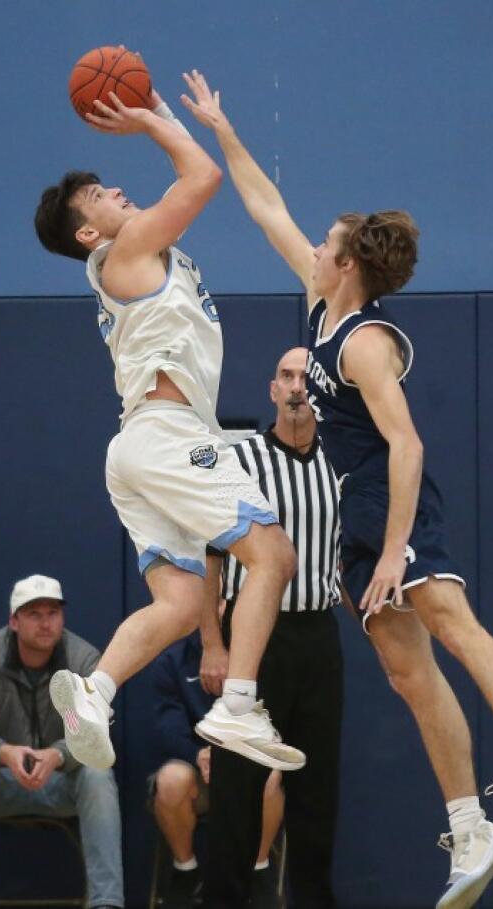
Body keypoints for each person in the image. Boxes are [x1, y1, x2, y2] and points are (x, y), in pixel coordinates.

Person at [181, 72, 493, 909]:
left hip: (386, 507)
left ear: (349, 262)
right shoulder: (324, 308)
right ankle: (470, 822)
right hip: (359, 524)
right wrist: (223, 129)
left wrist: (399, 546)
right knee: (409, 674)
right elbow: (265, 209)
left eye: (326, 242)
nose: (314, 246)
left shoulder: (363, 340)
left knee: (447, 617)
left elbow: (407, 444)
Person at [32, 62, 301, 775]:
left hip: (141, 447)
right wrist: (147, 121)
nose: (116, 189)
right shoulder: (126, 250)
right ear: (89, 232)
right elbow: (203, 179)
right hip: (167, 437)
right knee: (272, 555)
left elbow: (194, 173)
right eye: (100, 194)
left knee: (182, 606)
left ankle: (94, 691)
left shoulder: (140, 253)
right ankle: (239, 705)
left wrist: (156, 102)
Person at [203, 347, 344, 909]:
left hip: (318, 636)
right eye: (287, 376)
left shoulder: (342, 463)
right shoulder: (242, 461)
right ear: (271, 389)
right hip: (254, 643)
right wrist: (213, 644)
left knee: (317, 793)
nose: (298, 386)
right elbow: (210, 557)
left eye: (307, 376)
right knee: (236, 791)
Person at [0, 575, 123, 909]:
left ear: (62, 618)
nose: (45, 623)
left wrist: (58, 755)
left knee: (98, 774)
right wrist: (3, 752)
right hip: (1, 780)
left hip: (62, 781)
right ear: (14, 621)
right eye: (34, 614)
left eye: (52, 613)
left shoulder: (84, 660)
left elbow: (97, 731)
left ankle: (107, 903)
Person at [149, 628, 284, 909]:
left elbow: (277, 719)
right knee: (171, 779)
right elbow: (167, 728)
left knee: (273, 775)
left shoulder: (264, 653)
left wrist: (233, 755)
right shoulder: (173, 661)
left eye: (228, 599)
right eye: (216, 601)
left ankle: (258, 872)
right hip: (198, 771)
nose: (222, 608)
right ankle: (186, 871)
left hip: (249, 766)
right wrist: (198, 754)